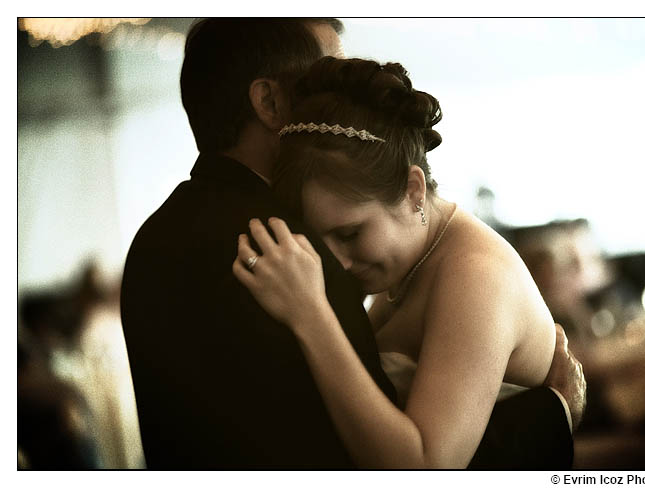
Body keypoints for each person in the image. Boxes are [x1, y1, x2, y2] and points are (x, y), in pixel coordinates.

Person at [121, 18, 584, 469]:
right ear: (268, 101)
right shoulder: (289, 246)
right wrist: (553, 413)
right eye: (319, 82)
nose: (337, 93)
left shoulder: (152, 241)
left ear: (414, 191)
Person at [233, 56, 582, 469]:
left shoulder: (477, 275)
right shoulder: (411, 266)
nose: (338, 263)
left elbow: (427, 466)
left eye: (350, 234)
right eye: (321, 241)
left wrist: (309, 314)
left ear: (414, 189)